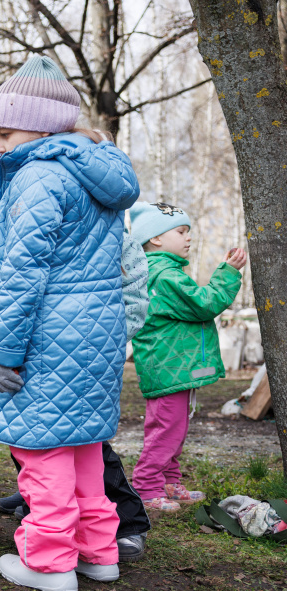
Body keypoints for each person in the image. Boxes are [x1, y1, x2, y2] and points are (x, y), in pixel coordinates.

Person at [0, 55, 139, 591]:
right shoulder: (94, 174)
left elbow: (22, 276)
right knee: (83, 450)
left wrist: (4, 353)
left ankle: (50, 561)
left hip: (47, 338)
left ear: (42, 128)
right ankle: (98, 552)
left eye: (5, 133)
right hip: (96, 332)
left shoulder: (38, 177)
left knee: (44, 455)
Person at [0, 187, 153, 563]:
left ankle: (113, 529)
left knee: (78, 449)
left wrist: (107, 340)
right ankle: (89, 542)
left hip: (65, 353)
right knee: (41, 444)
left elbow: (37, 277)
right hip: (44, 351)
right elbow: (4, 267)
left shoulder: (84, 220)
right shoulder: (16, 203)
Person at [128, 201, 246, 511]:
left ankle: (169, 481)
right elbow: (204, 303)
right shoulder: (164, 275)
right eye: (181, 231)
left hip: (171, 366)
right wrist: (228, 273)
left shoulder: (158, 271)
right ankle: (146, 487)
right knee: (166, 430)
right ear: (155, 238)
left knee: (174, 429)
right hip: (169, 367)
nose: (188, 237)